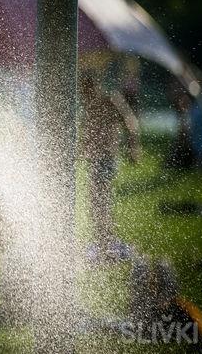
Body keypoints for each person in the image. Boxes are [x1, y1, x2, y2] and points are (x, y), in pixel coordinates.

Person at [79, 70, 140, 264]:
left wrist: (133, 147)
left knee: (100, 201)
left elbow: (130, 123)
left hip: (106, 158)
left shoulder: (109, 99)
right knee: (97, 202)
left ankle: (107, 244)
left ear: (93, 85)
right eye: (82, 90)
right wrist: (82, 151)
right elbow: (89, 133)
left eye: (85, 88)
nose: (83, 94)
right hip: (96, 159)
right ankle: (103, 242)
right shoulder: (88, 105)